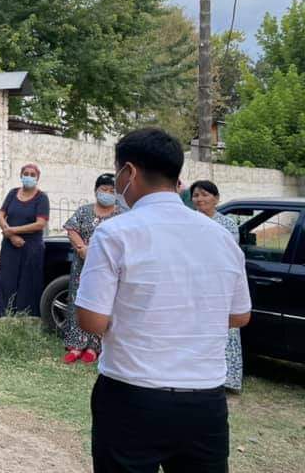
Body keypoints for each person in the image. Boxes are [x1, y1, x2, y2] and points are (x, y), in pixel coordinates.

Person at [76, 128, 251, 472]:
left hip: (132, 394)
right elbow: (239, 316)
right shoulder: (221, 236)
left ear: (130, 172)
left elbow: (92, 321)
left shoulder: (114, 233)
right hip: (205, 402)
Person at [190, 179, 244, 392]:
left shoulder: (228, 224)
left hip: (220, 285)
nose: (200, 199)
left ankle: (227, 378)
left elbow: (229, 255)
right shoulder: (188, 221)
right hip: (193, 284)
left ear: (216, 198)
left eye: (205, 194)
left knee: (224, 329)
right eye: (196, 195)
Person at [61, 174, 120, 365]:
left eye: (112, 191)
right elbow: (72, 229)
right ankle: (76, 345)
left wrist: (96, 252)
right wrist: (82, 248)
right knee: (78, 301)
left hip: (107, 267)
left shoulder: (121, 215)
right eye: (104, 189)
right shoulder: (84, 211)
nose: (107, 194)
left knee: (102, 304)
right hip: (82, 265)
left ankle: (95, 347)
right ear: (96, 190)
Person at [0, 163, 49, 316]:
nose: (29, 177)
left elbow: (40, 223)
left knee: (28, 283)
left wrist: (12, 230)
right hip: (10, 245)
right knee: (6, 280)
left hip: (31, 247)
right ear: (21, 175)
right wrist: (11, 235)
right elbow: (0, 214)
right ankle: (5, 315)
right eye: (26, 173)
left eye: (33, 175)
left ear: (37, 178)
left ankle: (25, 317)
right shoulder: (13, 193)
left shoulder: (42, 198)